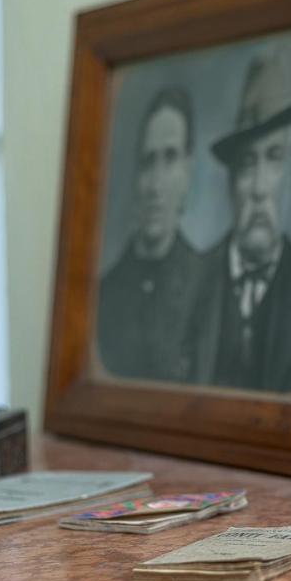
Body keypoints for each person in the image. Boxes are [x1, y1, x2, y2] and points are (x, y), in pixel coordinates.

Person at [187, 48, 291, 393]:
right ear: (231, 180)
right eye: (248, 163)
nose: (260, 188)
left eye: (275, 158)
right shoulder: (188, 283)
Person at [94, 86, 203, 382]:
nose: (155, 185)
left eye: (170, 159)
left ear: (187, 173)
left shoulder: (207, 282)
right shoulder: (104, 294)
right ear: (135, 178)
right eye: (147, 162)